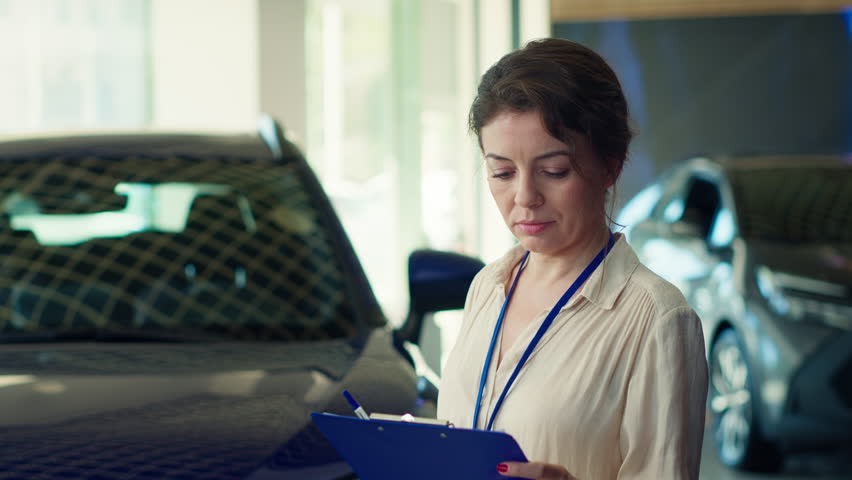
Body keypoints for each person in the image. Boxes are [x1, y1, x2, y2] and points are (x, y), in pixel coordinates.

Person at [436, 38, 709, 479]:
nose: (524, 197)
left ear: (611, 165)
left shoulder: (657, 320)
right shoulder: (487, 287)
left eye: (554, 171)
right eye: (502, 172)